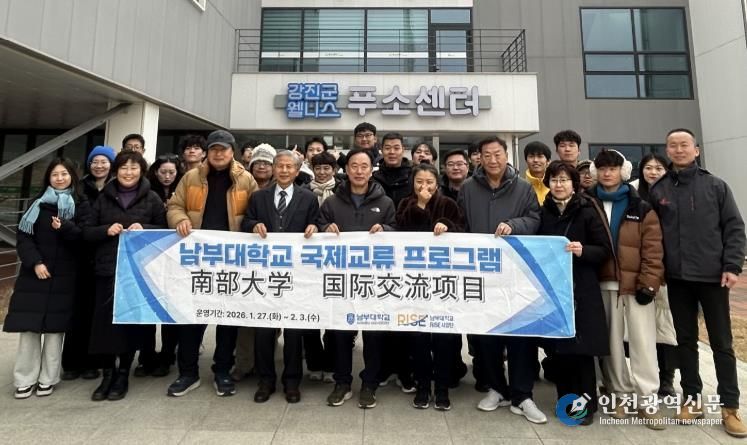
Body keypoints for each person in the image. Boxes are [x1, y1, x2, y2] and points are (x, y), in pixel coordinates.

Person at [649, 128, 747, 437]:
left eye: (684, 145)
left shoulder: (716, 186)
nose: (678, 150)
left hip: (712, 276)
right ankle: (692, 399)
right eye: (673, 145)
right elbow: (652, 235)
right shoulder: (659, 189)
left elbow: (734, 227)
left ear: (696, 150)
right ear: (667, 150)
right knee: (685, 341)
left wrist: (732, 265)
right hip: (677, 278)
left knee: (722, 343)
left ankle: (730, 407)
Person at [458, 136, 546, 424]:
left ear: (506, 155)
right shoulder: (468, 188)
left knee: (520, 336)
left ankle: (522, 395)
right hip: (481, 274)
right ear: (479, 158)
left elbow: (535, 219)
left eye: (497, 154)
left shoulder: (523, 187)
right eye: (487, 155)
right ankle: (497, 388)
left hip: (515, 273)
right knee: (487, 335)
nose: (493, 160)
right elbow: (461, 223)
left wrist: (513, 225)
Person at [166, 130, 258, 398]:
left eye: (224, 149)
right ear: (207, 152)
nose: (219, 153)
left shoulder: (245, 179)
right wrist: (180, 219)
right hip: (197, 259)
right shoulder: (191, 177)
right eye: (214, 149)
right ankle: (188, 373)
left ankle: (222, 371)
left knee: (227, 319)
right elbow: (175, 206)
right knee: (191, 317)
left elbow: (255, 213)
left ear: (232, 152)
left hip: (231, 260)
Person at [587, 149, 666, 429]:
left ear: (623, 171)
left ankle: (647, 399)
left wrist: (649, 282)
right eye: (602, 168)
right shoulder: (587, 203)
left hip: (636, 285)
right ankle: (619, 394)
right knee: (611, 345)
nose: (607, 173)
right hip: (602, 282)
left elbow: (653, 249)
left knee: (643, 344)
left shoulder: (640, 206)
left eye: (613, 168)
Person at [4, 158, 91, 399]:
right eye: (55, 175)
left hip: (65, 276)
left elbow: (84, 237)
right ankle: (24, 379)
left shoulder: (81, 203)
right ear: (48, 178)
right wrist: (35, 262)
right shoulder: (37, 203)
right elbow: (24, 237)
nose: (60, 178)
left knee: (55, 332)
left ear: (72, 176)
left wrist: (64, 227)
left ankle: (48, 378)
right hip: (35, 274)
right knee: (29, 329)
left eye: (64, 174)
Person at [85, 151, 166, 401]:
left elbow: (165, 231)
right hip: (108, 269)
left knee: (129, 324)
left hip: (137, 272)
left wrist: (145, 228)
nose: (128, 172)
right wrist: (105, 230)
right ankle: (107, 374)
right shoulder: (104, 197)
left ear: (142, 171)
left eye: (133, 168)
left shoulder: (152, 198)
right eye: (123, 168)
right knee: (105, 325)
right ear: (116, 170)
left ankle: (123, 374)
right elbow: (86, 231)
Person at [319, 148, 396, 409]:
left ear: (371, 170)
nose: (359, 171)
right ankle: (342, 382)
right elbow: (317, 227)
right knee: (340, 334)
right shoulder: (332, 202)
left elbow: (397, 231)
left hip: (373, 282)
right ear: (346, 169)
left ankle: (369, 384)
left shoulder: (385, 202)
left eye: (364, 166)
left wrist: (385, 229)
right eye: (354, 166)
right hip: (341, 281)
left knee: (373, 336)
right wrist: (324, 228)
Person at [242, 150, 320, 403]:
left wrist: (315, 227)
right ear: (274, 169)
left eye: (289, 167)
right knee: (264, 331)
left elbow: (317, 223)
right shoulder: (259, 196)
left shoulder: (309, 198)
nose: (284, 170)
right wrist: (253, 225)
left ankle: (292, 381)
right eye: (280, 166)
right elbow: (246, 221)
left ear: (297, 171)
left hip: (296, 276)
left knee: (294, 333)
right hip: (266, 275)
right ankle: (266, 381)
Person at [538, 160, 611, 425]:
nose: (558, 185)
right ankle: (566, 403)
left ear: (574, 183)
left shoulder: (588, 209)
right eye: (554, 180)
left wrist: (583, 251)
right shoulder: (543, 212)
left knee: (582, 350)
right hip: (553, 288)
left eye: (564, 180)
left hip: (582, 287)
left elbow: (604, 249)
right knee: (560, 350)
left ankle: (586, 406)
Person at [396, 162, 464, 411]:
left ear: (437, 184)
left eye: (429, 182)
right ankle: (423, 387)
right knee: (418, 339)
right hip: (415, 283)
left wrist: (448, 227)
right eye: (419, 182)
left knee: (444, 338)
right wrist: (421, 206)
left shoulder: (449, 204)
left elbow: (462, 232)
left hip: (443, 282)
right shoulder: (405, 204)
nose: (424, 187)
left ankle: (443, 389)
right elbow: (401, 231)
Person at [60, 145, 115, 381]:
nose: (99, 166)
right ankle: (72, 362)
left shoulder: (116, 188)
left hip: (106, 256)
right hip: (80, 256)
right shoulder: (78, 188)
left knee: (98, 312)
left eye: (104, 161)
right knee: (78, 311)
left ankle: (94, 362)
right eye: (95, 161)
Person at [630, 152, 677, 397]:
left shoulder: (673, 192)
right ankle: (641, 377)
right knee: (639, 328)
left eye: (659, 168)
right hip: (638, 267)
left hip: (668, 268)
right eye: (649, 167)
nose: (653, 172)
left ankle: (667, 377)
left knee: (665, 325)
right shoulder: (632, 193)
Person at [135, 155, 185, 378]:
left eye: (171, 172)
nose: (167, 176)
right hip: (149, 258)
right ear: (155, 172)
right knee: (147, 309)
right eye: (163, 172)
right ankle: (145, 356)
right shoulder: (147, 192)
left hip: (175, 258)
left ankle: (167, 355)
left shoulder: (182, 190)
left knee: (169, 309)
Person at [301, 150, 341, 383]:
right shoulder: (303, 192)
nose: (323, 172)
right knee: (310, 316)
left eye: (327, 168)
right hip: (308, 263)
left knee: (334, 316)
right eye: (318, 168)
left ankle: (332, 363)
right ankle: (314, 363)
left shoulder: (342, 192)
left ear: (334, 170)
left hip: (336, 262)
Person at [372, 132, 412, 210]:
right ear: (381, 150)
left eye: (396, 148)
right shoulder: (373, 179)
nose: (392, 152)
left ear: (403, 150)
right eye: (387, 148)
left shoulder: (413, 176)